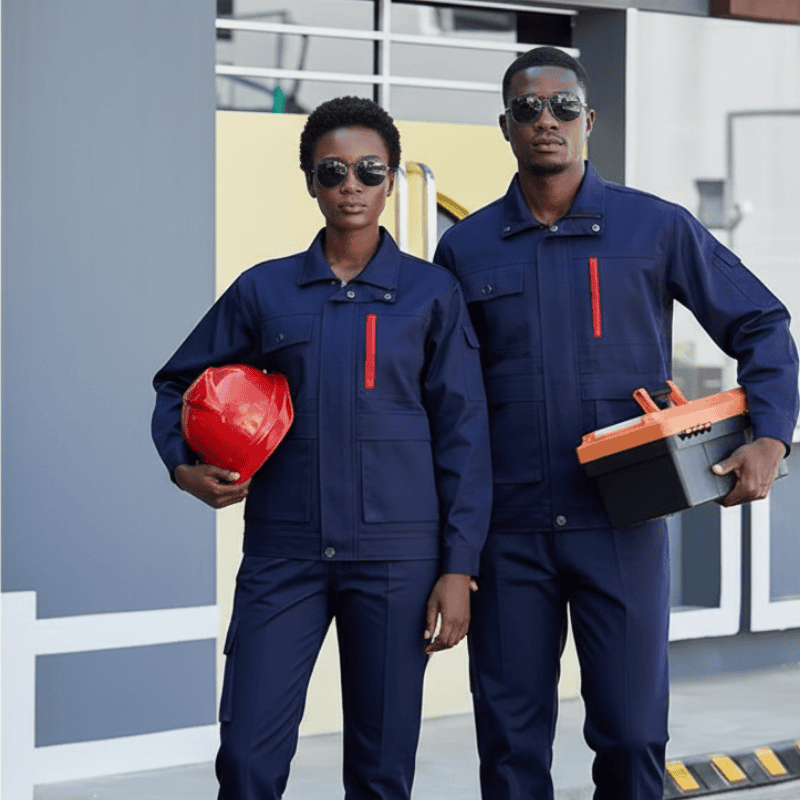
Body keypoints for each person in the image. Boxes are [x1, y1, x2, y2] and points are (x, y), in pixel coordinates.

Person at [433, 46, 799, 800]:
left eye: (563, 106)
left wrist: (771, 433)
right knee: (509, 745)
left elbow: (761, 322)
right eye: (528, 109)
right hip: (510, 535)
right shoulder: (464, 250)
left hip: (621, 527)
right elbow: (442, 398)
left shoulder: (653, 228)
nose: (547, 121)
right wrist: (453, 552)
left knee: (633, 737)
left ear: (589, 121)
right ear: (505, 126)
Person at [151, 96, 491, 800]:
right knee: (246, 758)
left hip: (398, 559)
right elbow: (179, 383)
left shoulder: (431, 295)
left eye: (369, 170)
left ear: (392, 179)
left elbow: (464, 434)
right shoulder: (265, 290)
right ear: (309, 180)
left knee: (380, 767)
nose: (351, 186)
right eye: (332, 170)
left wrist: (459, 567)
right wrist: (183, 467)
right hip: (286, 554)